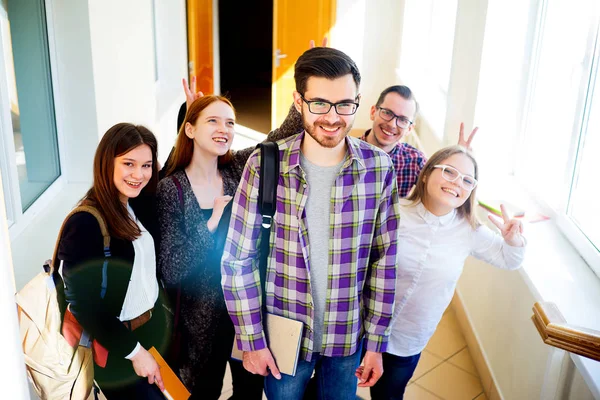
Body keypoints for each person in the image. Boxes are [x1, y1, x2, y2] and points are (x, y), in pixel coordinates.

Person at [221, 47, 400, 399]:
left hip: (346, 336)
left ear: (359, 102)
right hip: (282, 337)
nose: (333, 118)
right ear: (298, 102)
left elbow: (385, 261)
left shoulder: (379, 169)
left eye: (345, 104)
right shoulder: (264, 164)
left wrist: (377, 341)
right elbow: (236, 260)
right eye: (319, 103)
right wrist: (252, 340)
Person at [157, 91, 301, 398]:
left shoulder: (237, 169)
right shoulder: (171, 189)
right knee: (203, 392)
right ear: (190, 129)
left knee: (249, 393)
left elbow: (277, 138)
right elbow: (172, 267)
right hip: (197, 323)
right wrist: (210, 224)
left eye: (230, 123)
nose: (224, 129)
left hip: (244, 313)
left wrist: (304, 94)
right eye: (213, 121)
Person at [361, 145, 526, 399]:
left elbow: (509, 259)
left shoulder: (469, 230)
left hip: (409, 339)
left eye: (467, 180)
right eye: (449, 172)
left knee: (388, 395)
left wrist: (513, 240)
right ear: (426, 173)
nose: (457, 183)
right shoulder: (394, 212)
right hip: (363, 328)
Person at [58, 123, 169, 399]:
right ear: (108, 162)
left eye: (146, 165)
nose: (138, 175)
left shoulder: (136, 202)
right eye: (129, 164)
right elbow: (85, 306)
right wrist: (135, 352)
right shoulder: (86, 222)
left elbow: (173, 170)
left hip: (150, 332)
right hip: (118, 347)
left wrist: (190, 119)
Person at [282, 84, 479, 198]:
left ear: (410, 128)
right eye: (387, 113)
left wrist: (460, 159)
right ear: (373, 112)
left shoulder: (416, 161)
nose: (392, 124)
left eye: (402, 120)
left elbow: (439, 195)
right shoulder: (341, 151)